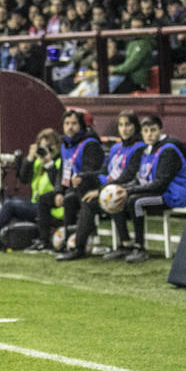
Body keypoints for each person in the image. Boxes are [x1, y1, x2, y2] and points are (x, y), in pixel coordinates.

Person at [58, 111, 145, 261]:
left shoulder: (139, 147)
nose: (124, 129)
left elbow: (128, 176)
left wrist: (99, 191)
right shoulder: (115, 148)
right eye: (121, 125)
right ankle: (79, 247)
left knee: (110, 196)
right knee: (88, 199)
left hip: (128, 188)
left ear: (135, 127)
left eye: (128, 125)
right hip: (110, 187)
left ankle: (126, 244)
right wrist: (82, 177)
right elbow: (104, 171)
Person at [105, 114, 186, 263]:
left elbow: (160, 184)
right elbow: (141, 178)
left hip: (172, 195)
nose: (149, 134)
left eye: (153, 130)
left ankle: (140, 248)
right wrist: (121, 188)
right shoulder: (147, 150)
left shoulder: (168, 150)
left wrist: (129, 191)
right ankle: (124, 245)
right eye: (146, 131)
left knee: (135, 201)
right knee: (115, 197)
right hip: (157, 192)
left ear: (160, 130)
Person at [34, 109, 103, 253]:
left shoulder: (90, 144)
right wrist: (59, 191)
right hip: (70, 187)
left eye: (74, 124)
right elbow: (62, 172)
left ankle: (72, 242)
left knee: (70, 198)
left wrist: (75, 183)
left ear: (82, 126)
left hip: (87, 187)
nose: (69, 127)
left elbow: (91, 171)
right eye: (66, 123)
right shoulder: (66, 144)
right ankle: (44, 241)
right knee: (44, 199)